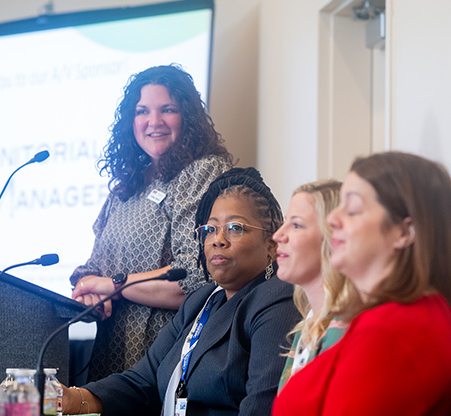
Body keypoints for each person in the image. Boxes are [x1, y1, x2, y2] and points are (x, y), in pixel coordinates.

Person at [63, 167, 300, 416]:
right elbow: (142, 381)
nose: (218, 239)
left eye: (235, 228)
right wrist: (72, 397)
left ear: (272, 245)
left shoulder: (277, 298)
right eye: (210, 229)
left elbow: (262, 407)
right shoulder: (201, 301)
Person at [70, 64, 233, 381]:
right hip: (110, 356)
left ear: (187, 117)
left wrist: (115, 286)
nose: (153, 122)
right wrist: (89, 288)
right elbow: (97, 265)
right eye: (142, 111)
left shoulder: (202, 171)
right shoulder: (127, 185)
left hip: (167, 355)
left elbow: (197, 277)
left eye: (167, 110)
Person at [273, 152, 451, 415]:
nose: (333, 220)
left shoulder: (390, 332)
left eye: (353, 209)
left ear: (404, 232)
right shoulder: (397, 318)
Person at [272, 180, 358, 389]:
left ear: (333, 238)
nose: (278, 236)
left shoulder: (345, 329)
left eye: (297, 225)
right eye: (284, 223)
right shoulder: (309, 325)